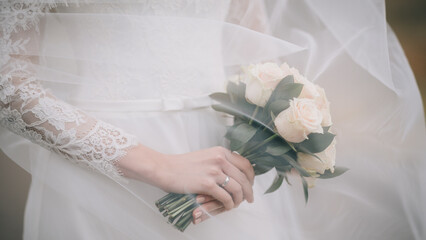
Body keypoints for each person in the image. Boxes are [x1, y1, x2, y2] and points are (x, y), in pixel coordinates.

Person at [1, 0, 425, 239]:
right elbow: (8, 82)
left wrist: (255, 150)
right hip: (105, 166)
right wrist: (159, 165)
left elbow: (255, 57)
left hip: (221, 164)